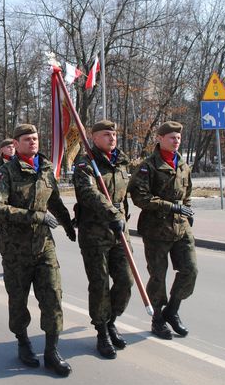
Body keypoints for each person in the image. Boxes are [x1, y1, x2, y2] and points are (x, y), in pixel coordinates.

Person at [0, 124, 77, 377]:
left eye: (35, 138)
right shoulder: (5, 173)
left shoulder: (46, 169)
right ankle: (23, 342)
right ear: (16, 144)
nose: (33, 142)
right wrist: (35, 216)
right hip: (15, 249)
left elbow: (55, 201)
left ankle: (51, 351)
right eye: (27, 139)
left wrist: (69, 225)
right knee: (18, 300)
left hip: (44, 246)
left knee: (52, 297)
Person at [127, 121, 197, 340]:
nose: (175, 141)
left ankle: (172, 311)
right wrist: (170, 206)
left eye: (177, 138)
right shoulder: (149, 166)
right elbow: (140, 197)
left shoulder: (183, 165)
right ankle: (157, 318)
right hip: (156, 228)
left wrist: (187, 210)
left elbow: (187, 193)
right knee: (158, 276)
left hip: (181, 226)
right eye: (171, 138)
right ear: (159, 138)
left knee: (190, 270)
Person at [72, 120, 134, 359]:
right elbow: (88, 193)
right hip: (95, 232)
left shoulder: (121, 161)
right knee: (99, 284)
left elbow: (125, 193)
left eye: (114, 134)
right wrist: (112, 213)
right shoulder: (85, 163)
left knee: (125, 282)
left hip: (119, 231)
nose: (112, 138)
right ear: (94, 138)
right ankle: (101, 330)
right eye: (106, 134)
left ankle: (112, 320)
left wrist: (122, 216)